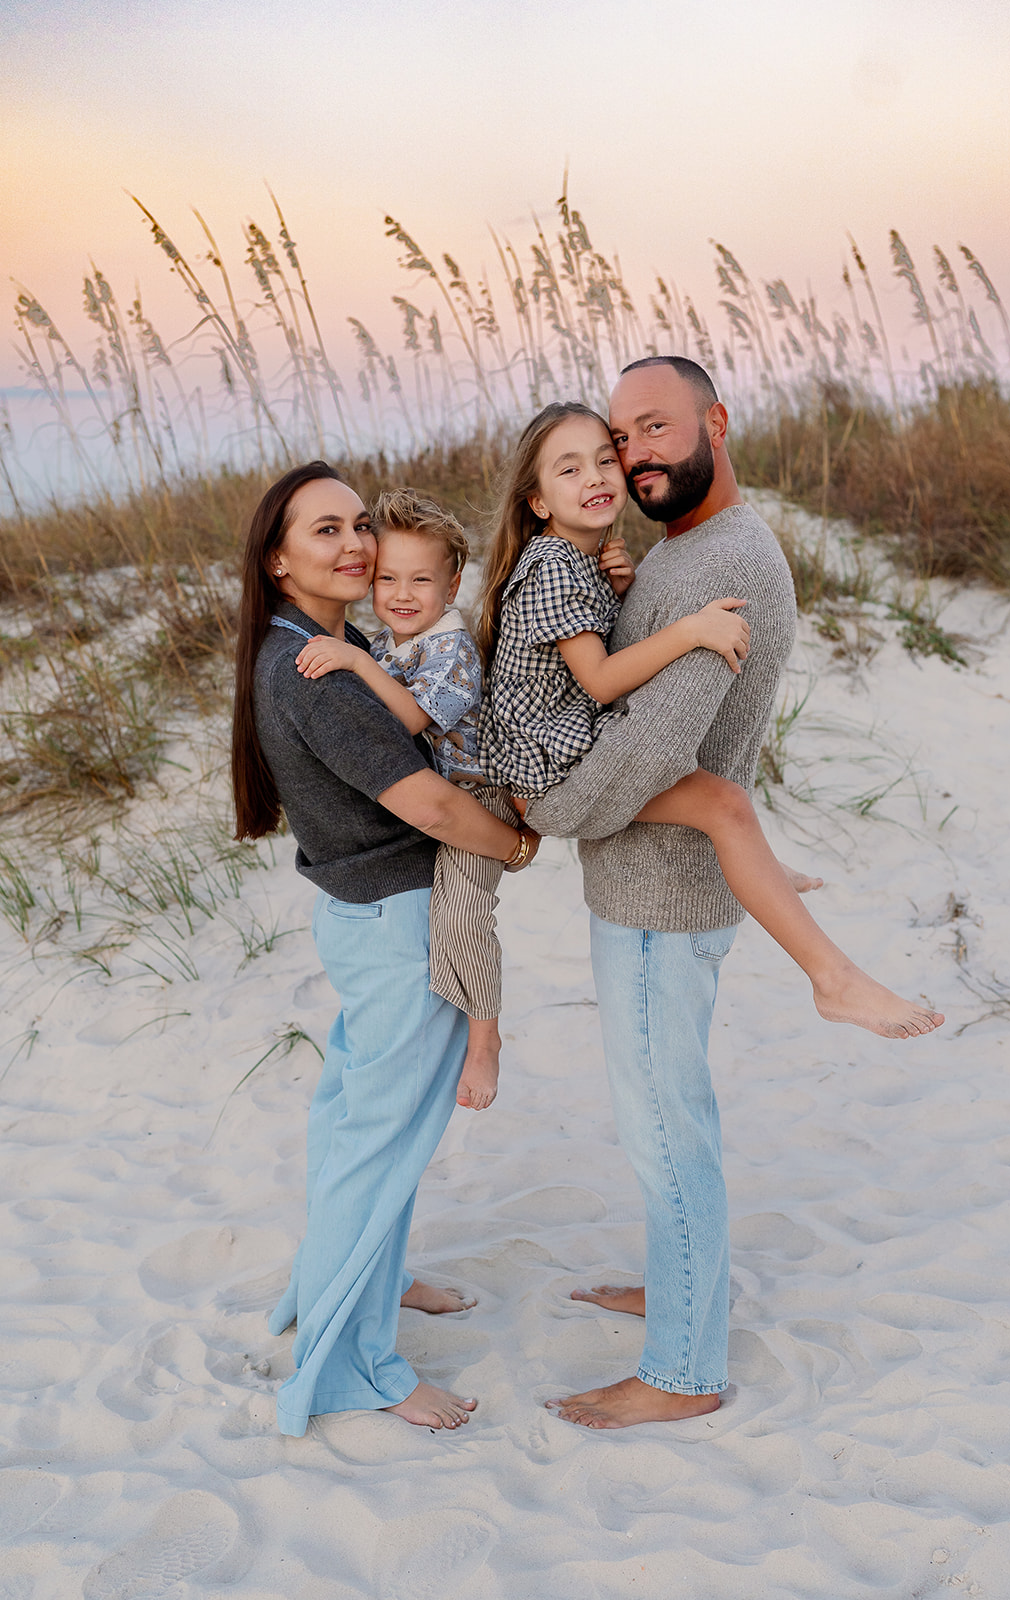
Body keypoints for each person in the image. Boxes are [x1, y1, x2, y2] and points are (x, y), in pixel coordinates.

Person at [490, 361, 943, 1428]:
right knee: (671, 1116)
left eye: (652, 429)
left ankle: (680, 1373)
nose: (633, 454)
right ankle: (681, 1288)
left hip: (658, 906)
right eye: (615, 440)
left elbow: (653, 751)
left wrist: (548, 814)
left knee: (663, 1130)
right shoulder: (685, 552)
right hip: (664, 885)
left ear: (715, 423)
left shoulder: (716, 565)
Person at [230, 460, 537, 1437]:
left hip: (366, 915)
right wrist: (513, 845)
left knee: (358, 1132)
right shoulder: (312, 671)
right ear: (278, 561)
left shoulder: (327, 644)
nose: (355, 544)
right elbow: (432, 802)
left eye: (358, 523)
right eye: (324, 531)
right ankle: (357, 1363)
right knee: (378, 1146)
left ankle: (371, 1279)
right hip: (397, 921)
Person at [476, 398, 942, 1041]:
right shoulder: (552, 567)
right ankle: (832, 979)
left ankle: (772, 885)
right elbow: (603, 678)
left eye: (605, 460)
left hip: (565, 756)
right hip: (547, 782)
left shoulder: (579, 560)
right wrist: (690, 628)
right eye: (569, 469)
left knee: (725, 807)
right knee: (724, 805)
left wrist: (622, 586)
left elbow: (595, 654)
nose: (597, 478)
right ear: (537, 502)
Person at [292, 487, 521, 1113]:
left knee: (464, 914)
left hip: (479, 799)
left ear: (450, 589)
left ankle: (485, 1036)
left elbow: (413, 720)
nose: (400, 593)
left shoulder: (449, 648)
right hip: (442, 801)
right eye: (387, 577)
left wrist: (354, 660)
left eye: (421, 580)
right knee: (443, 926)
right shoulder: (393, 642)